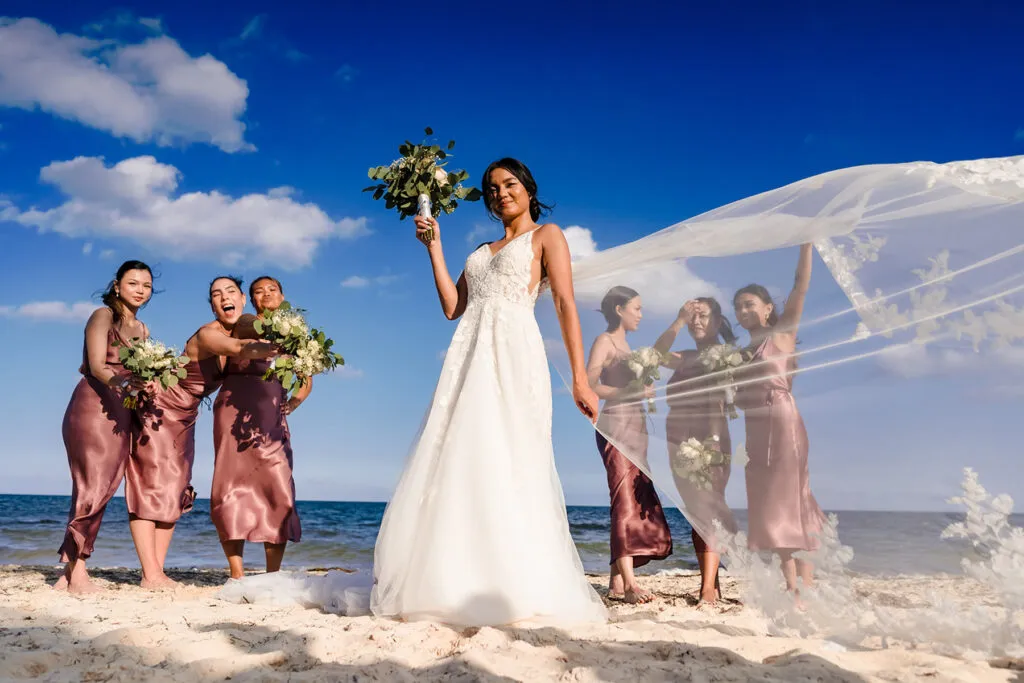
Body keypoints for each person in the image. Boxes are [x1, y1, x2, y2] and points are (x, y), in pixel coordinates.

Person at [370, 158, 607, 626]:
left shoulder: (548, 237)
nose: (500, 193)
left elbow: (563, 303)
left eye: (509, 184)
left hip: (514, 354)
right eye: (492, 189)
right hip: (468, 356)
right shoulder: (480, 249)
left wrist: (580, 378)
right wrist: (433, 247)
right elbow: (453, 307)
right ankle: (452, 578)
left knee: (510, 454)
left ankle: (515, 581)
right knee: (459, 453)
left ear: (528, 188)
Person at [126, 275, 278, 587]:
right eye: (216, 294)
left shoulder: (240, 323)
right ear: (211, 305)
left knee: (175, 487)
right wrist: (283, 345)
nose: (224, 297)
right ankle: (150, 574)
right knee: (150, 486)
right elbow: (239, 348)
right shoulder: (209, 334)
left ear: (241, 298)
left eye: (231, 291)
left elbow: (249, 329)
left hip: (186, 413)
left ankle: (155, 572)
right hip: (161, 405)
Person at [733, 244, 826, 594]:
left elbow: (800, 285)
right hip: (756, 426)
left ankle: (796, 587)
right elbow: (742, 399)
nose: (743, 311)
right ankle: (801, 584)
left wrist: (806, 243)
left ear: (768, 308)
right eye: (738, 307)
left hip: (784, 422)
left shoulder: (782, 334)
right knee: (770, 496)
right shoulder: (741, 355)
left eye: (749, 304)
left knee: (787, 498)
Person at [56, 260, 152, 593]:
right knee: (91, 485)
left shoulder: (143, 330)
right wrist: (127, 386)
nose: (140, 290)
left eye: (146, 286)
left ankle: (67, 573)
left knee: (106, 485)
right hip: (93, 406)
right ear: (117, 285)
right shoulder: (103, 316)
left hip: (121, 411)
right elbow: (98, 366)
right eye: (133, 283)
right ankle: (78, 570)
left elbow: (139, 374)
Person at [210, 276, 300, 579]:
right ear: (251, 299)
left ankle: (273, 574)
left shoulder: (296, 333)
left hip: (272, 415)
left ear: (282, 294)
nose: (266, 295)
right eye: (258, 291)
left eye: (272, 289)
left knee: (279, 485)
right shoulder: (245, 322)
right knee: (230, 485)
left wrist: (295, 401)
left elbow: (307, 378)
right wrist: (276, 332)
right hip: (235, 410)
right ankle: (237, 573)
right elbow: (248, 331)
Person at [587, 286, 672, 604]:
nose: (640, 314)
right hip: (616, 425)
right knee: (622, 499)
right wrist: (631, 391)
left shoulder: (630, 346)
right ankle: (633, 584)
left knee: (634, 498)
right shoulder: (605, 341)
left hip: (638, 427)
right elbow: (591, 383)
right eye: (636, 308)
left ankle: (616, 583)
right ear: (619, 309)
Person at [655, 297, 740, 605]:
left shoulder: (722, 357)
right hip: (678, 437)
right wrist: (678, 320)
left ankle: (707, 589)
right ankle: (712, 584)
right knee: (696, 512)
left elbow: (720, 401)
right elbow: (656, 356)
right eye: (692, 317)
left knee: (708, 507)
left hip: (708, 438)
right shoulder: (686, 356)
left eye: (703, 316)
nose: (696, 322)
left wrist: (712, 443)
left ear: (717, 321)